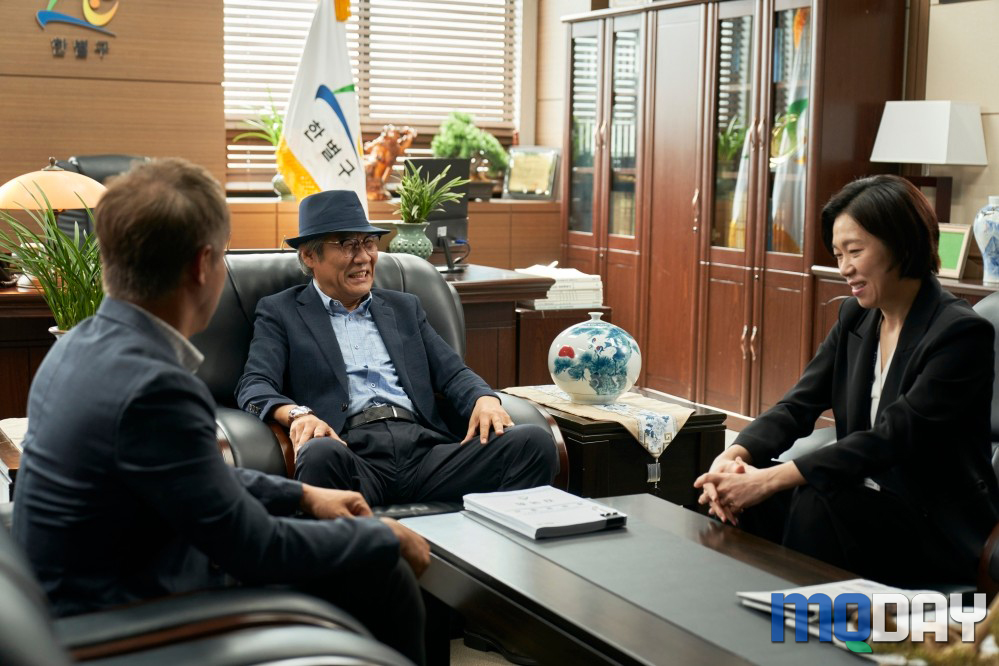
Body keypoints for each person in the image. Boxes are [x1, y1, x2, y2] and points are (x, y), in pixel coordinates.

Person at [11, 158, 429, 664]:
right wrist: (378, 536)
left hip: (75, 604)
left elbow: (193, 477)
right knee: (381, 572)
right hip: (117, 627)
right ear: (203, 265)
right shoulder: (154, 386)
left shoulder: (78, 346)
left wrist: (301, 493)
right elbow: (254, 547)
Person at [694, 174, 999, 586]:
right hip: (857, 500)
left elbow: (891, 439)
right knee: (731, 491)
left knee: (811, 499)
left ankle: (798, 621)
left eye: (855, 251)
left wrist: (770, 480)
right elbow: (797, 405)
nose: (844, 268)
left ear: (901, 244)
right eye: (838, 254)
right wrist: (736, 456)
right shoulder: (856, 317)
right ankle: (736, 609)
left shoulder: (959, 333)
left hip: (931, 525)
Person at [236, 189, 558, 507]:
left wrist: (483, 399)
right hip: (350, 453)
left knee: (533, 442)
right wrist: (297, 415)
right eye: (347, 245)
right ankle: (348, 542)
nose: (364, 257)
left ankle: (488, 540)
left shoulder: (404, 307)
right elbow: (254, 385)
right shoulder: (282, 311)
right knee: (318, 454)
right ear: (309, 256)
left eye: (369, 243)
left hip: (425, 453)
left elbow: (453, 373)